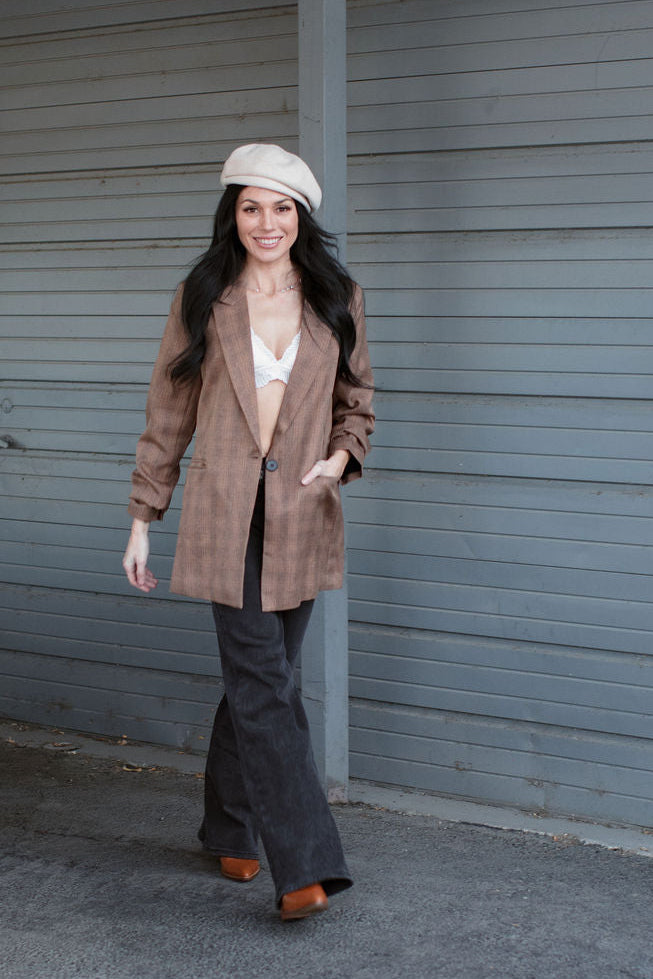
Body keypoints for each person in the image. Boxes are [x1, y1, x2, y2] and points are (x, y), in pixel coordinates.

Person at [122, 143, 374, 922]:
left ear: (302, 216)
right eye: (251, 206)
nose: (267, 222)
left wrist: (339, 458)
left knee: (263, 682)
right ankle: (305, 867)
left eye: (282, 207)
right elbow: (168, 414)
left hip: (301, 514)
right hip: (221, 518)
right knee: (265, 685)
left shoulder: (335, 295)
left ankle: (227, 825)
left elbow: (357, 402)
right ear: (232, 214)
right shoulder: (203, 296)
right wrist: (142, 518)